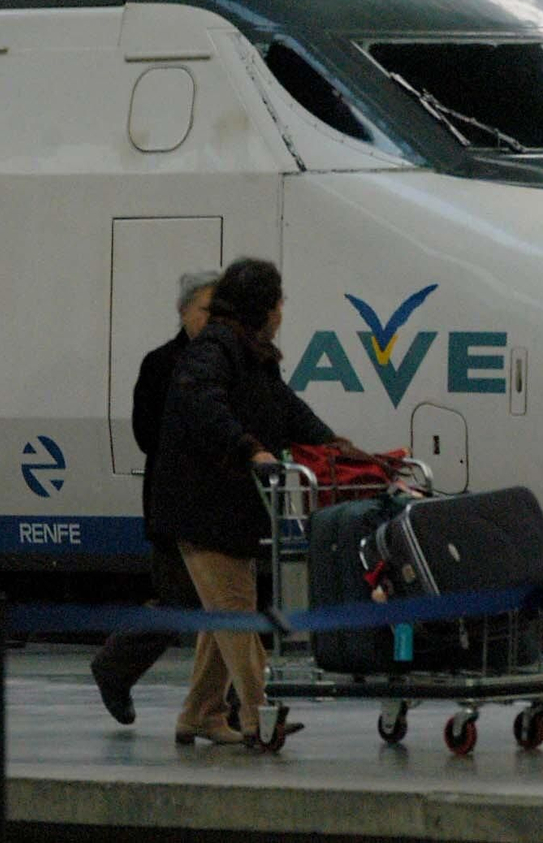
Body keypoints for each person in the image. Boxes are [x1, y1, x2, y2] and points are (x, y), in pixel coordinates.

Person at [144, 258, 348, 749]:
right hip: (201, 506)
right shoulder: (214, 350)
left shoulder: (251, 352)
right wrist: (249, 448)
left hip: (228, 506)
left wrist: (334, 445)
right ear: (264, 306)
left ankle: (200, 714)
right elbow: (204, 405)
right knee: (236, 611)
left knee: (227, 611)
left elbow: (286, 408)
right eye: (278, 300)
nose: (282, 310)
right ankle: (260, 714)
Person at [90, 270, 223, 726]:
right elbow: (146, 434)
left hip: (219, 502)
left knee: (222, 604)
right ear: (183, 311)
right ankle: (114, 667)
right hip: (174, 501)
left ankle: (227, 705)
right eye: (207, 310)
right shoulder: (160, 364)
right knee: (181, 602)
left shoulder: (234, 361)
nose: (215, 320)